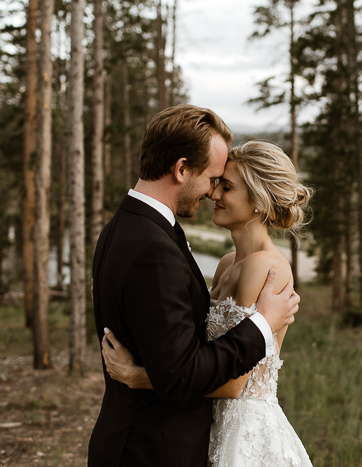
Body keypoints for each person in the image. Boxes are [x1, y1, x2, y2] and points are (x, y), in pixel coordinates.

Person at [88, 105, 301, 467]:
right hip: (150, 448)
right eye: (212, 179)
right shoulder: (159, 246)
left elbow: (230, 382)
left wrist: (140, 377)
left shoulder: (125, 227)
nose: (213, 192)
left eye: (225, 184)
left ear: (258, 200)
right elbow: (181, 371)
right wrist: (263, 324)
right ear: (181, 169)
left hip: (233, 437)